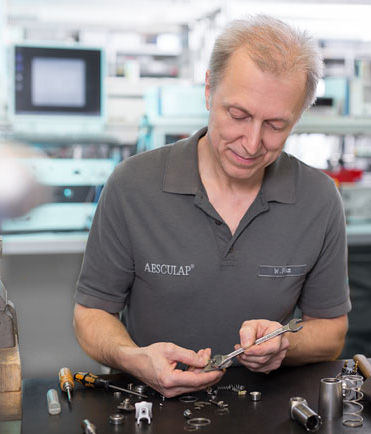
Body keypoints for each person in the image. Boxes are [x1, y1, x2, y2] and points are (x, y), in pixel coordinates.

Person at [73, 15, 351, 398]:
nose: (251, 143)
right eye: (238, 115)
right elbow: (91, 314)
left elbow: (331, 332)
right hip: (149, 406)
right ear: (208, 90)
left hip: (265, 410)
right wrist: (134, 358)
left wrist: (284, 345)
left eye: (275, 125)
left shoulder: (319, 199)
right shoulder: (132, 185)